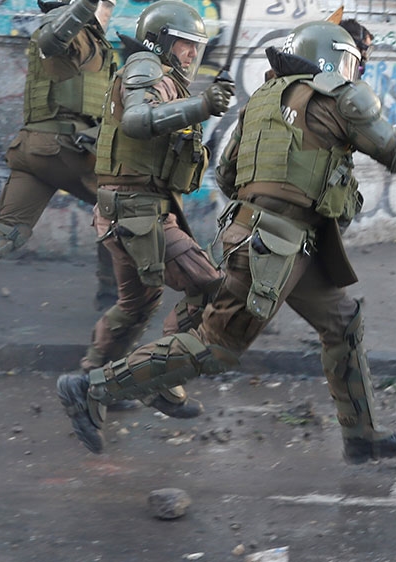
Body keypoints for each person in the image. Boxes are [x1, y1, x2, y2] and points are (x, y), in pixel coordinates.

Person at [57, 20, 396, 461]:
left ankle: (362, 435)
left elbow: (225, 174)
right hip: (277, 246)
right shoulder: (343, 96)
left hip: (271, 237)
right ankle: (91, 388)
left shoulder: (262, 99)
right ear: (334, 58)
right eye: (352, 61)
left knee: (342, 323)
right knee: (217, 346)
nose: (356, 70)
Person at [67, 0, 235, 425]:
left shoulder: (160, 78)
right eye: (185, 44)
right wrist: (201, 106)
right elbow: (139, 120)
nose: (193, 54)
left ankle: (88, 385)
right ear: (160, 41)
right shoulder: (146, 69)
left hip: (130, 210)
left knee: (137, 304)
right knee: (209, 287)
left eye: (197, 46)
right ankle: (157, 378)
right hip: (138, 213)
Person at [0, 0, 118, 310]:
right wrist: (84, 7)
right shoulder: (62, 24)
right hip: (62, 147)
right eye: (105, 3)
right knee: (119, 208)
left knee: (9, 229)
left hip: (33, 149)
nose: (110, 6)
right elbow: (52, 38)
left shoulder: (89, 37)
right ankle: (113, 300)